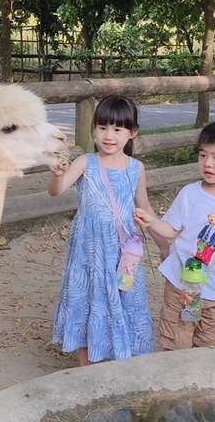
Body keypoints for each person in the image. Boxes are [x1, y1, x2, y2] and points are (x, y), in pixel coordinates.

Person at [47, 96, 161, 366]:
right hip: (88, 251)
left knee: (123, 300)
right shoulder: (85, 162)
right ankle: (88, 367)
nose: (109, 136)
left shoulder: (136, 168)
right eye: (102, 128)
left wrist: (163, 243)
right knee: (88, 299)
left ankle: (121, 358)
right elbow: (56, 191)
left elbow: (144, 205)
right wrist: (56, 174)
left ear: (132, 132)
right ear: (94, 129)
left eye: (118, 129)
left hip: (122, 252)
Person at [134, 120, 215, 351]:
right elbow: (171, 230)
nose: (207, 163)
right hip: (180, 286)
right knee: (176, 345)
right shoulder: (190, 194)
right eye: (202, 155)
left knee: (209, 349)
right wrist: (152, 221)